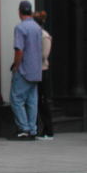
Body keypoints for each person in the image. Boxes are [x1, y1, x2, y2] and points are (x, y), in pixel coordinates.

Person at [9, 0, 42, 140]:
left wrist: (16, 65)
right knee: (32, 101)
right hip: (36, 70)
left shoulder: (20, 28)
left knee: (16, 99)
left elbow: (19, 50)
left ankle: (24, 129)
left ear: (19, 12)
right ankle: (33, 129)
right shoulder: (37, 27)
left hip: (24, 69)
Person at [33, 11, 54, 140]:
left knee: (42, 101)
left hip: (42, 70)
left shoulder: (44, 36)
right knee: (38, 101)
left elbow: (44, 55)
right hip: (37, 70)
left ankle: (48, 130)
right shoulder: (38, 35)